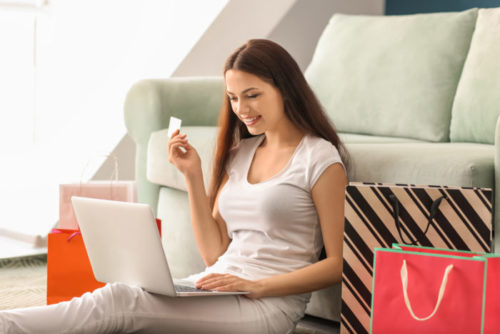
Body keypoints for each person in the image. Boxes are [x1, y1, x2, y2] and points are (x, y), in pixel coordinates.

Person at [0, 39, 348, 334]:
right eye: (233, 97)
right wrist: (193, 176)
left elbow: (338, 264)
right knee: (126, 297)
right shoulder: (242, 152)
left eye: (252, 95)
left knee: (119, 301)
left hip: (270, 304)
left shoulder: (319, 158)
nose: (242, 108)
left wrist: (258, 286)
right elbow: (215, 253)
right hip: (217, 284)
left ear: (285, 89)